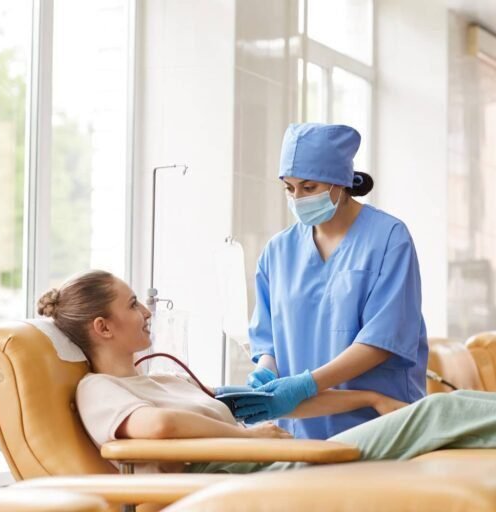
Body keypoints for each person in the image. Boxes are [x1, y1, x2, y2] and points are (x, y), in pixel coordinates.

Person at [37, 270, 495, 475]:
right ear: (103, 327)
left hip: (263, 458)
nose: (146, 310)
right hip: (242, 471)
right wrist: (249, 439)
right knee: (437, 412)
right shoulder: (99, 388)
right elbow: (156, 426)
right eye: (132, 303)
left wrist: (368, 399)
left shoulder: (160, 380)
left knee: (444, 414)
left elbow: (275, 401)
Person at [244, 123, 428, 440]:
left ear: (340, 183)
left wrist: (306, 384)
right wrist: (267, 370)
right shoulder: (278, 251)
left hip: (379, 421)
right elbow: (268, 337)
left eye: (309, 187)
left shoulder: (388, 238)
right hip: (301, 426)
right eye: (289, 188)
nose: (298, 198)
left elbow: (382, 340)